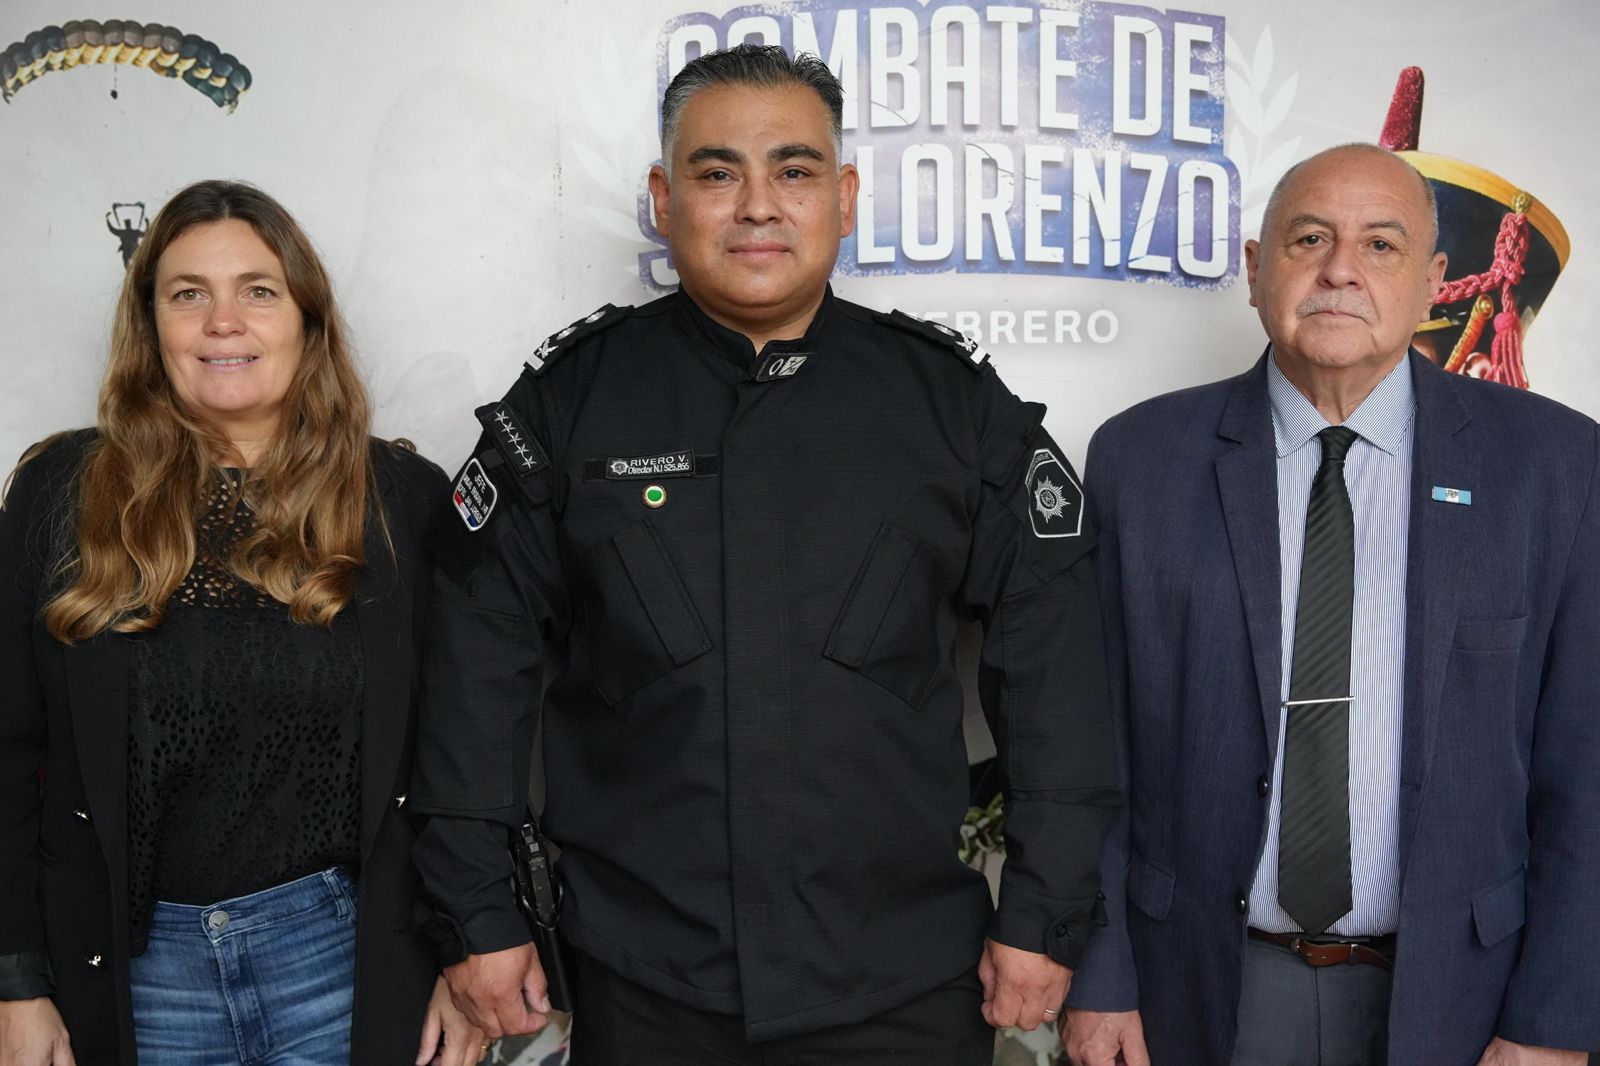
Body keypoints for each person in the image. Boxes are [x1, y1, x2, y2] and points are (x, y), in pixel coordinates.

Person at [410, 44, 1120, 1063]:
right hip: (644, 978)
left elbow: (1056, 670)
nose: (757, 206)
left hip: (903, 983)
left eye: (793, 171)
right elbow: (472, 674)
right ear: (663, 200)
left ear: (844, 197)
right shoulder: (570, 402)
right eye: (716, 172)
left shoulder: (950, 407)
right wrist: (477, 911)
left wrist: (1045, 910)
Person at [1062, 144, 1599, 1066]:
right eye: (1309, 238)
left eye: (1381, 245)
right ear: (1254, 270)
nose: (1341, 270)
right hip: (1204, 983)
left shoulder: (1554, 465)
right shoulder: (1140, 459)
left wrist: (1551, 1020)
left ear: (1432, 282)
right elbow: (1091, 745)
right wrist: (1101, 975)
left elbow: (1586, 765)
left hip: (1465, 994)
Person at [0, 180, 485, 1066]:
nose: (223, 321)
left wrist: (462, 949)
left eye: (258, 290)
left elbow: (458, 755)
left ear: (307, 319)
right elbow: (7, 752)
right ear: (151, 327)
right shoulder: (62, 495)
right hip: (139, 977)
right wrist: (16, 981)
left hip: (341, 963)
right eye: (188, 294)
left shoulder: (400, 503)